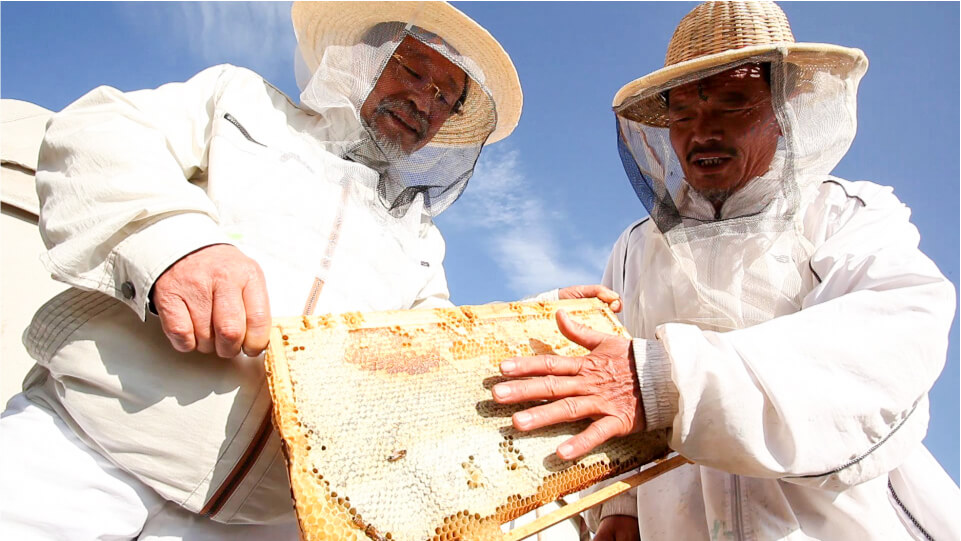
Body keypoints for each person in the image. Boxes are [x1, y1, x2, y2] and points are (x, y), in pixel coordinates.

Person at [0, 2, 616, 539]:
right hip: (80, 455)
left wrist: (524, 324)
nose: (423, 101)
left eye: (443, 97)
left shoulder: (422, 245)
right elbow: (98, 133)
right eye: (411, 69)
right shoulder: (240, 103)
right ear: (364, 61)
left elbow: (432, 362)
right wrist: (178, 247)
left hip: (270, 522)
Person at [491, 2, 958, 540]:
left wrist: (667, 378)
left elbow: (894, 335)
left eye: (732, 104)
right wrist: (623, 506)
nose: (701, 133)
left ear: (785, 110)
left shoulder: (845, 214)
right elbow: (613, 386)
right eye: (683, 115)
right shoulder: (637, 248)